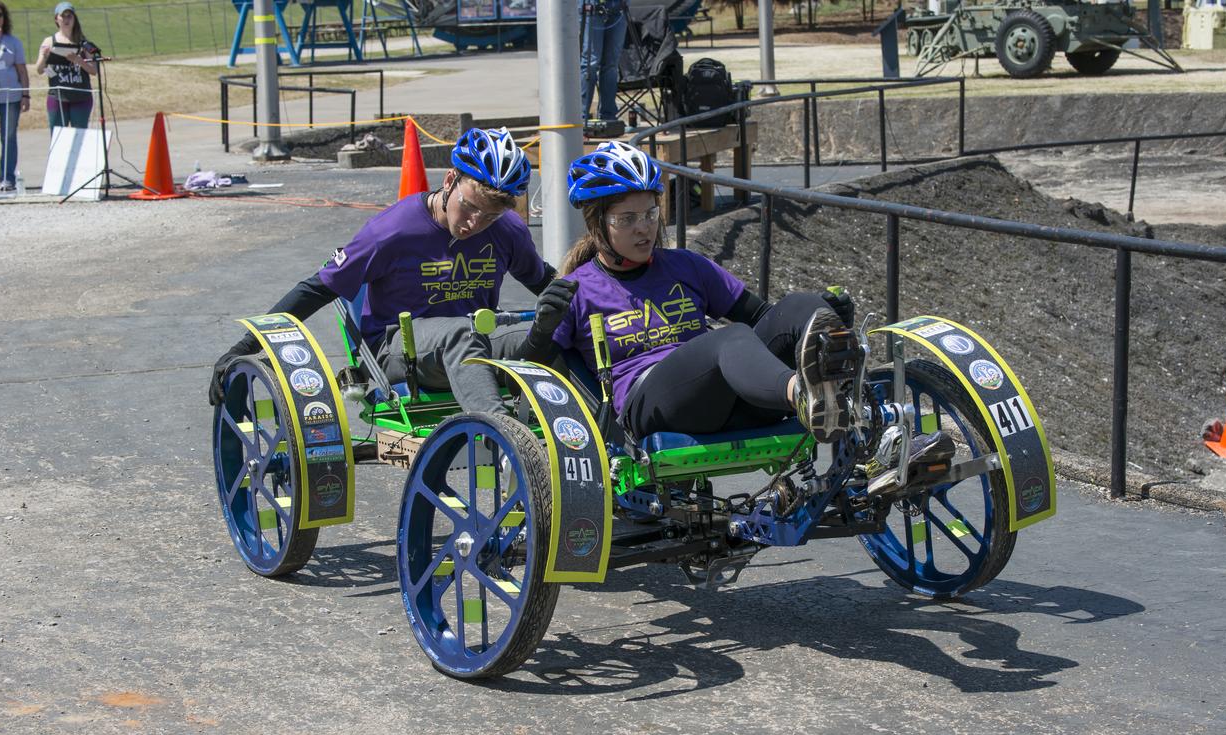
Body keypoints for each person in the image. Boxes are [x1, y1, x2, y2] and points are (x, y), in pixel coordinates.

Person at [207, 127, 577, 417]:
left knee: (558, 334)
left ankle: (609, 448)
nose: (473, 224)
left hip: (473, 345)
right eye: (469, 207)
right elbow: (318, 288)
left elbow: (543, 283)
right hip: (399, 354)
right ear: (449, 180)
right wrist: (245, 347)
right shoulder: (393, 231)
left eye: (489, 216)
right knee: (463, 332)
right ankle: (510, 438)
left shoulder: (507, 230)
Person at [550, 140, 854, 445]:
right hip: (653, 404)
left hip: (733, 399)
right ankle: (804, 396)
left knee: (800, 305)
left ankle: (849, 392)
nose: (644, 228)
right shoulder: (577, 289)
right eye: (627, 219)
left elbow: (766, 318)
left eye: (650, 214)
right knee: (730, 337)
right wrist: (540, 332)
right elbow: (529, 370)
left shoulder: (686, 265)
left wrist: (823, 314)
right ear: (597, 224)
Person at [35, 1, 96, 133]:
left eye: (70, 16)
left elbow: (93, 70)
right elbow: (39, 70)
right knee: (57, 138)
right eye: (63, 16)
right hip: (57, 97)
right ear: (57, 19)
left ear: (74, 18)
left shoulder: (83, 42)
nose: (67, 19)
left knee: (80, 138)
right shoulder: (49, 41)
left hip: (81, 97)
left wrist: (79, 60)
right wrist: (45, 57)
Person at [0, 0, 29, 191]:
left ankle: (7, 179)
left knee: (9, 138)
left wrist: (25, 95)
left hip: (10, 98)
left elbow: (22, 70)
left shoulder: (14, 42)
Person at [580, 0, 627, 123]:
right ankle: (581, 118)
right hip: (592, 9)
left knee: (611, 65)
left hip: (618, 9)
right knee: (591, 63)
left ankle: (609, 116)